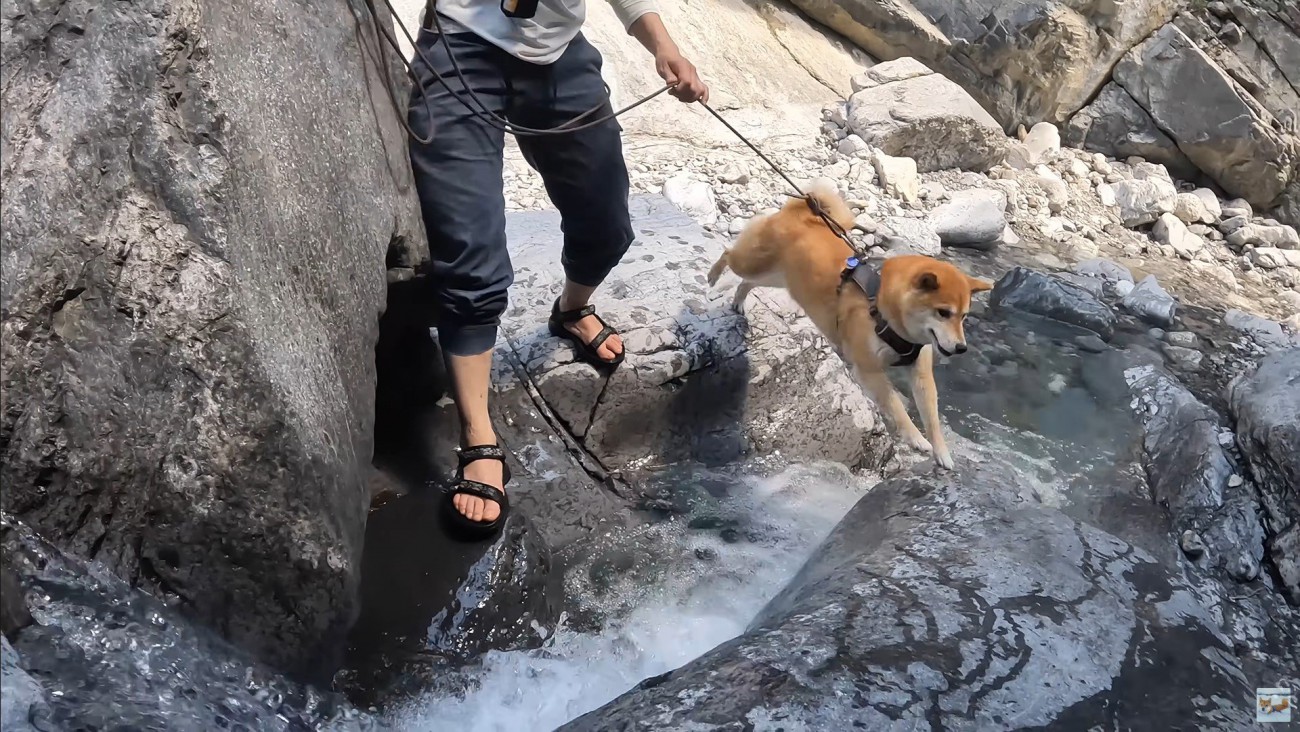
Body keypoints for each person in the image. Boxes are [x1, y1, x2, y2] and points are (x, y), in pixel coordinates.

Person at [407, 0, 709, 534]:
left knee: (607, 224)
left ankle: (572, 310)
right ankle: (477, 437)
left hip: (558, 52)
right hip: (461, 44)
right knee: (471, 258)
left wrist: (665, 47)